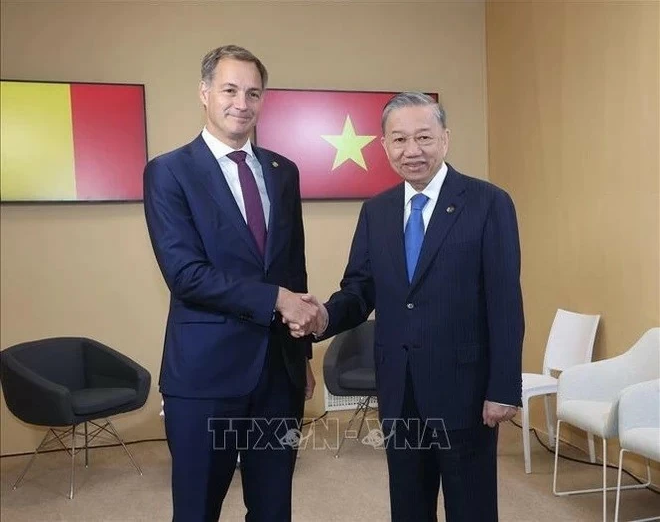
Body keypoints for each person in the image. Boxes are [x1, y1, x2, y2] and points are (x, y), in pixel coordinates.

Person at [293, 92, 524, 521]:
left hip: (466, 391)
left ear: (445, 139)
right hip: (400, 390)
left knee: (471, 507)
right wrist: (323, 316)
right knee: (409, 506)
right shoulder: (376, 211)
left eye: (424, 137)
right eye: (399, 140)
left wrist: (503, 388)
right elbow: (360, 290)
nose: (411, 150)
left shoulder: (489, 203)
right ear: (383, 145)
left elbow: (506, 303)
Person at [143, 45, 318, 522]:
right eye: (229, 89)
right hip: (205, 376)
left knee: (273, 506)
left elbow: (293, 270)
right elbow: (185, 274)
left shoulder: (284, 172)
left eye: (253, 92)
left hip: (277, 376)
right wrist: (277, 299)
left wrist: (300, 356)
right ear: (204, 93)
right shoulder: (169, 171)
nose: (242, 102)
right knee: (198, 509)